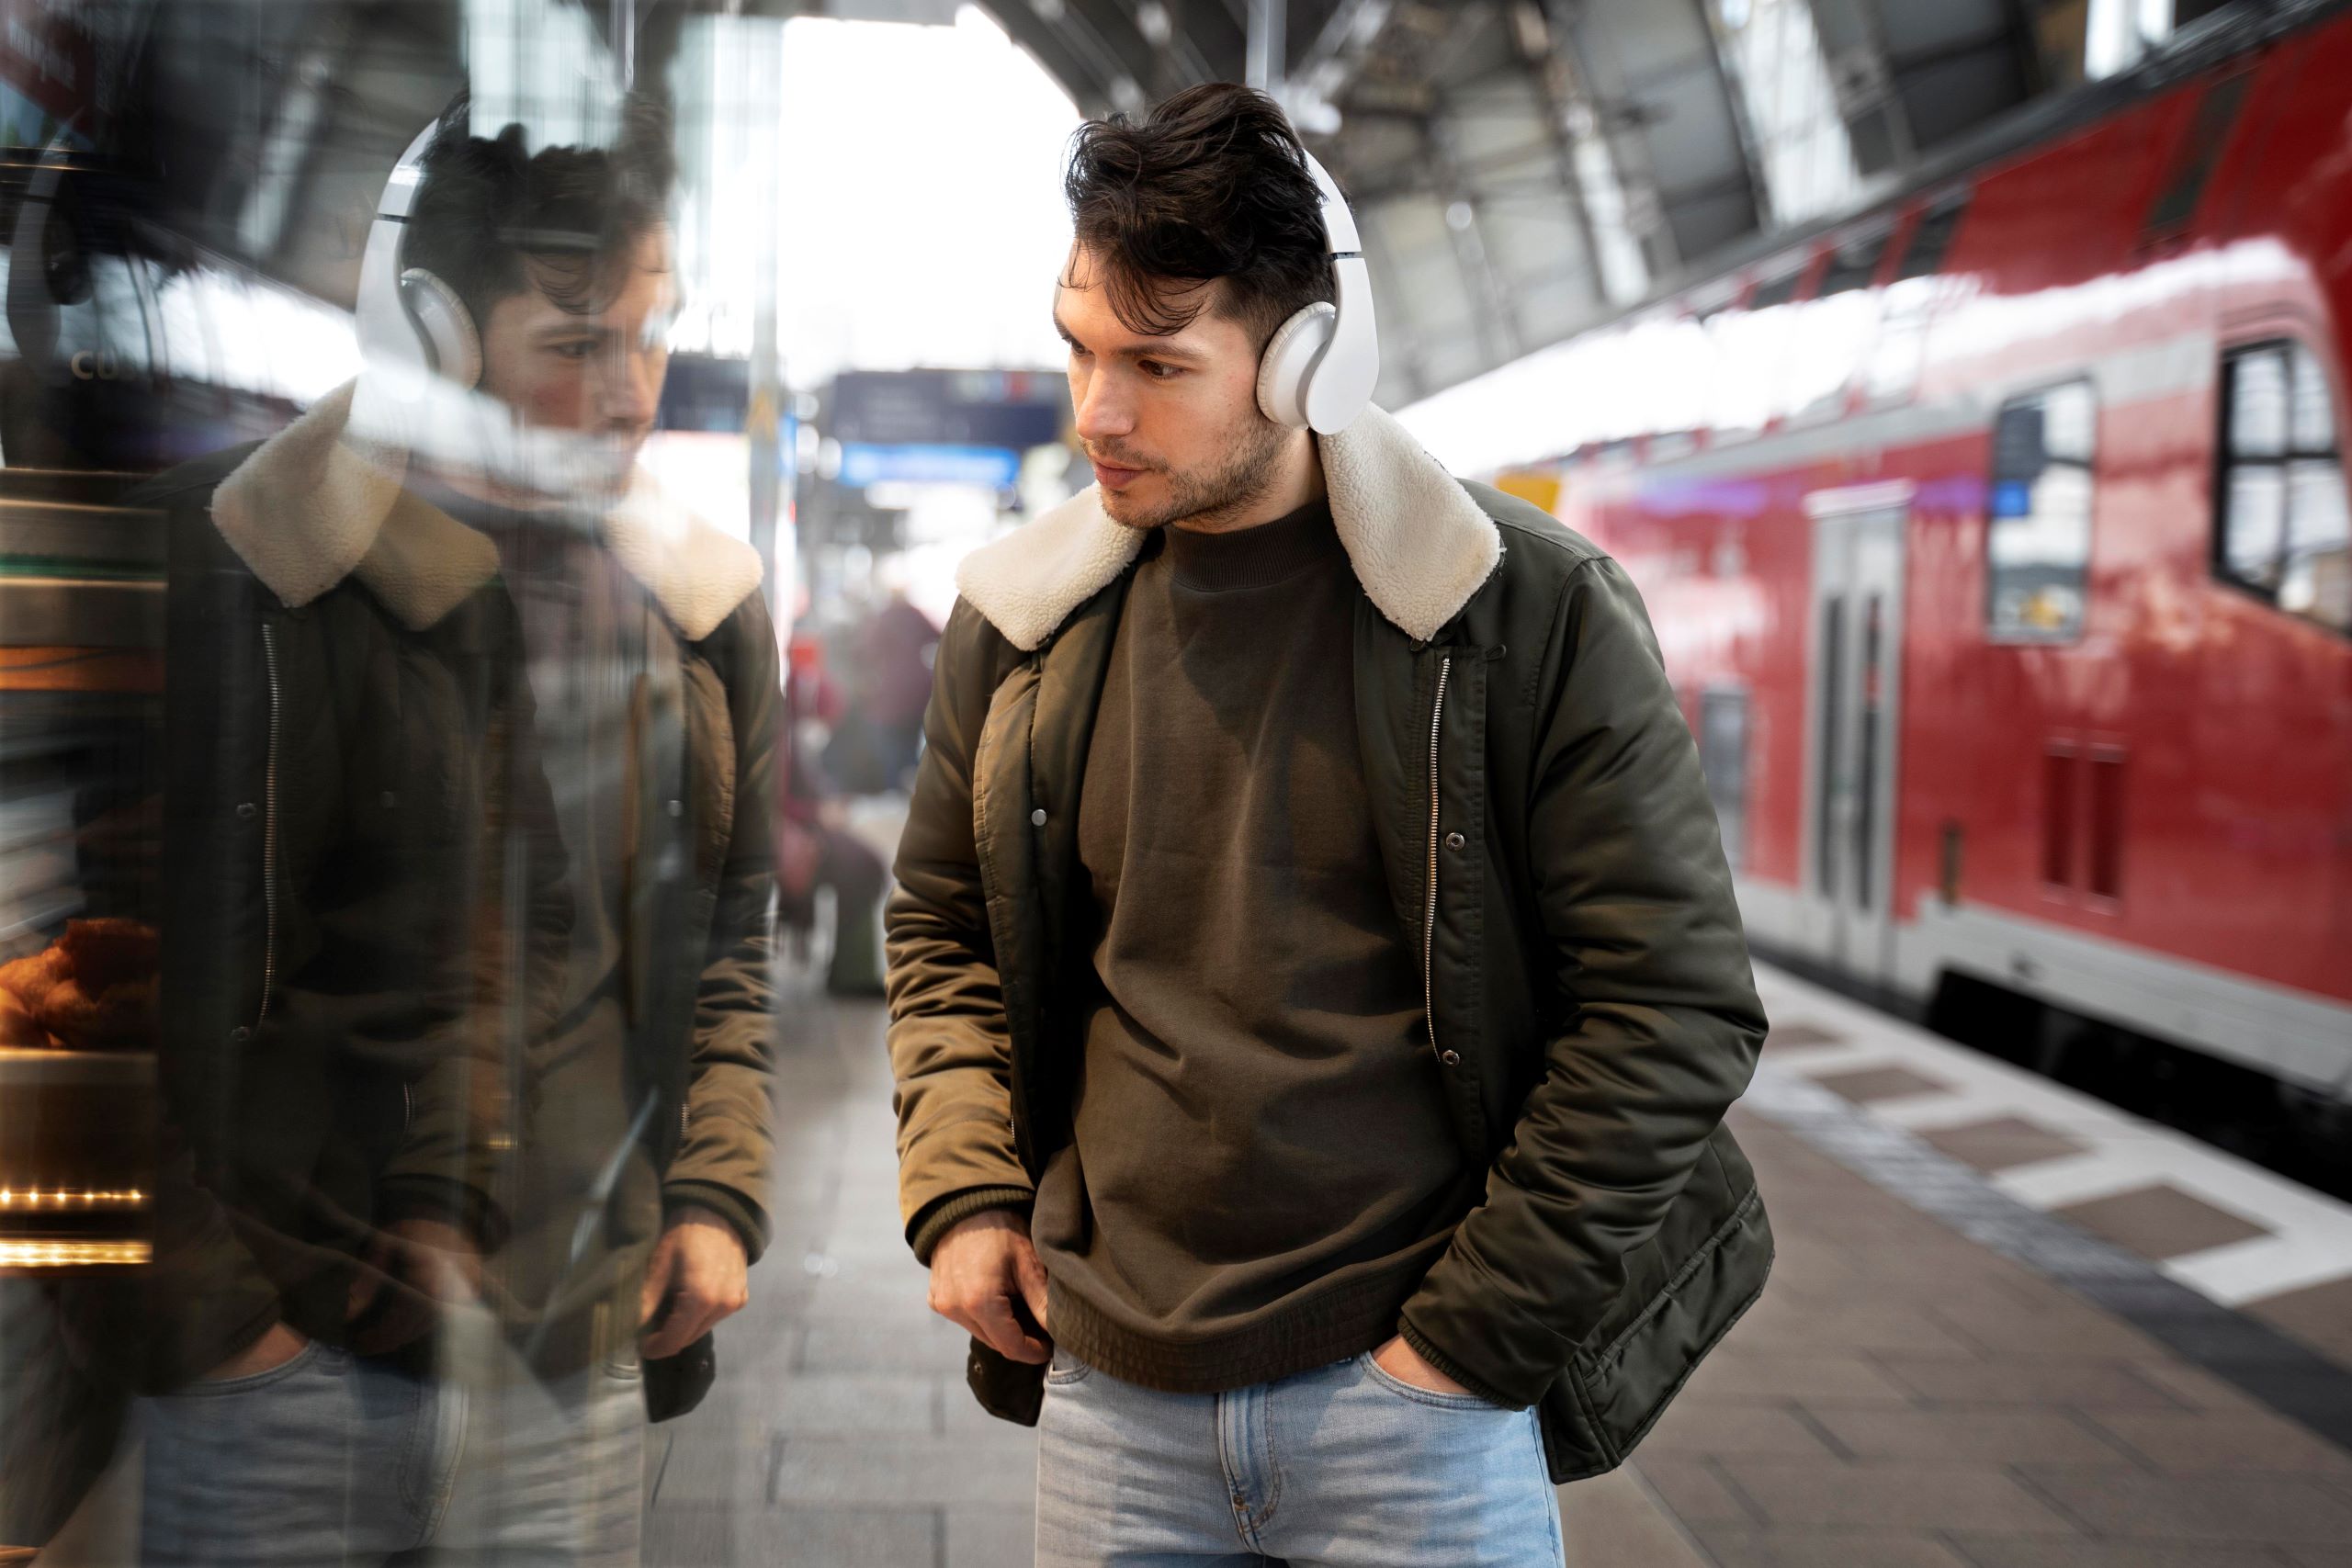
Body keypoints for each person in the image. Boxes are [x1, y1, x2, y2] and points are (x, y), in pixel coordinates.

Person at [887, 83, 1771, 1566]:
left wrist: (1465, 1350)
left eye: (1158, 365)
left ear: (1307, 361)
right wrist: (964, 1192)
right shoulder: (1021, 626)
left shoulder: (1523, 614)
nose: (1098, 411)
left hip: (1412, 1413)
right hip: (1112, 1400)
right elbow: (943, 932)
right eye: (1080, 349)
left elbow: (1671, 1010)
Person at [119, 92, 779, 1567]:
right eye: (576, 347)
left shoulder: (696, 604)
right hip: (280, 1366)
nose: (633, 392)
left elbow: (730, 938)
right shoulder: (244, 571)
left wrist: (718, 1192)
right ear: (431, 339)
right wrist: (217, 1314)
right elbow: (109, 974)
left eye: (652, 332)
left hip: (574, 1356)